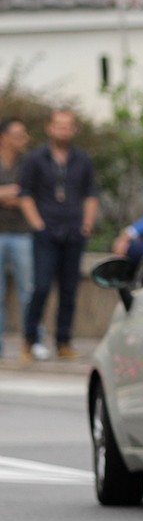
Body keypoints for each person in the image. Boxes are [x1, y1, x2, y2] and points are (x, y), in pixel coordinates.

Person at [16, 108, 99, 363]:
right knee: (40, 287)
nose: (63, 130)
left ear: (73, 130)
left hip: (73, 231)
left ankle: (64, 341)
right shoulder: (35, 158)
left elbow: (91, 194)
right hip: (46, 232)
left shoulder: (82, 159)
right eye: (58, 125)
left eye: (68, 126)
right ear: (49, 128)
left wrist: (86, 224)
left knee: (69, 290)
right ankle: (30, 340)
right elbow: (24, 194)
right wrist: (38, 225)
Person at [0, 117, 34, 360]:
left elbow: (28, 195)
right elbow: (19, 195)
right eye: (18, 134)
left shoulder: (29, 163)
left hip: (23, 233)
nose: (24, 139)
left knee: (29, 291)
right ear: (4, 138)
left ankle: (31, 342)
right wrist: (11, 194)